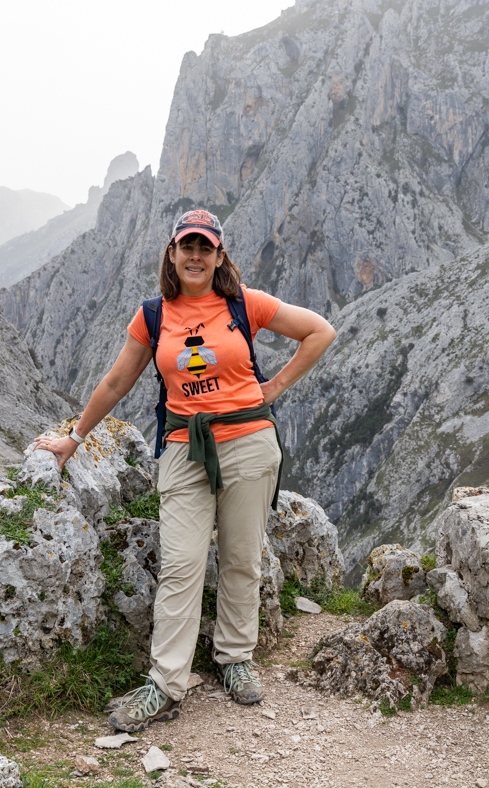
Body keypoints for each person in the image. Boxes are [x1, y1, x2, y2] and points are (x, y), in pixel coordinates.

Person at [34, 209, 336, 732]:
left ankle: (235, 660)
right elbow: (115, 383)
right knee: (180, 565)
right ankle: (165, 684)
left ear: (219, 256)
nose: (195, 256)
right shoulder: (152, 316)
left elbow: (320, 332)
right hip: (183, 448)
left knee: (242, 558)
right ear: (172, 254)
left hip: (248, 441)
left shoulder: (245, 303)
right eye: (186, 246)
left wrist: (277, 386)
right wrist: (74, 438)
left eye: (205, 247)